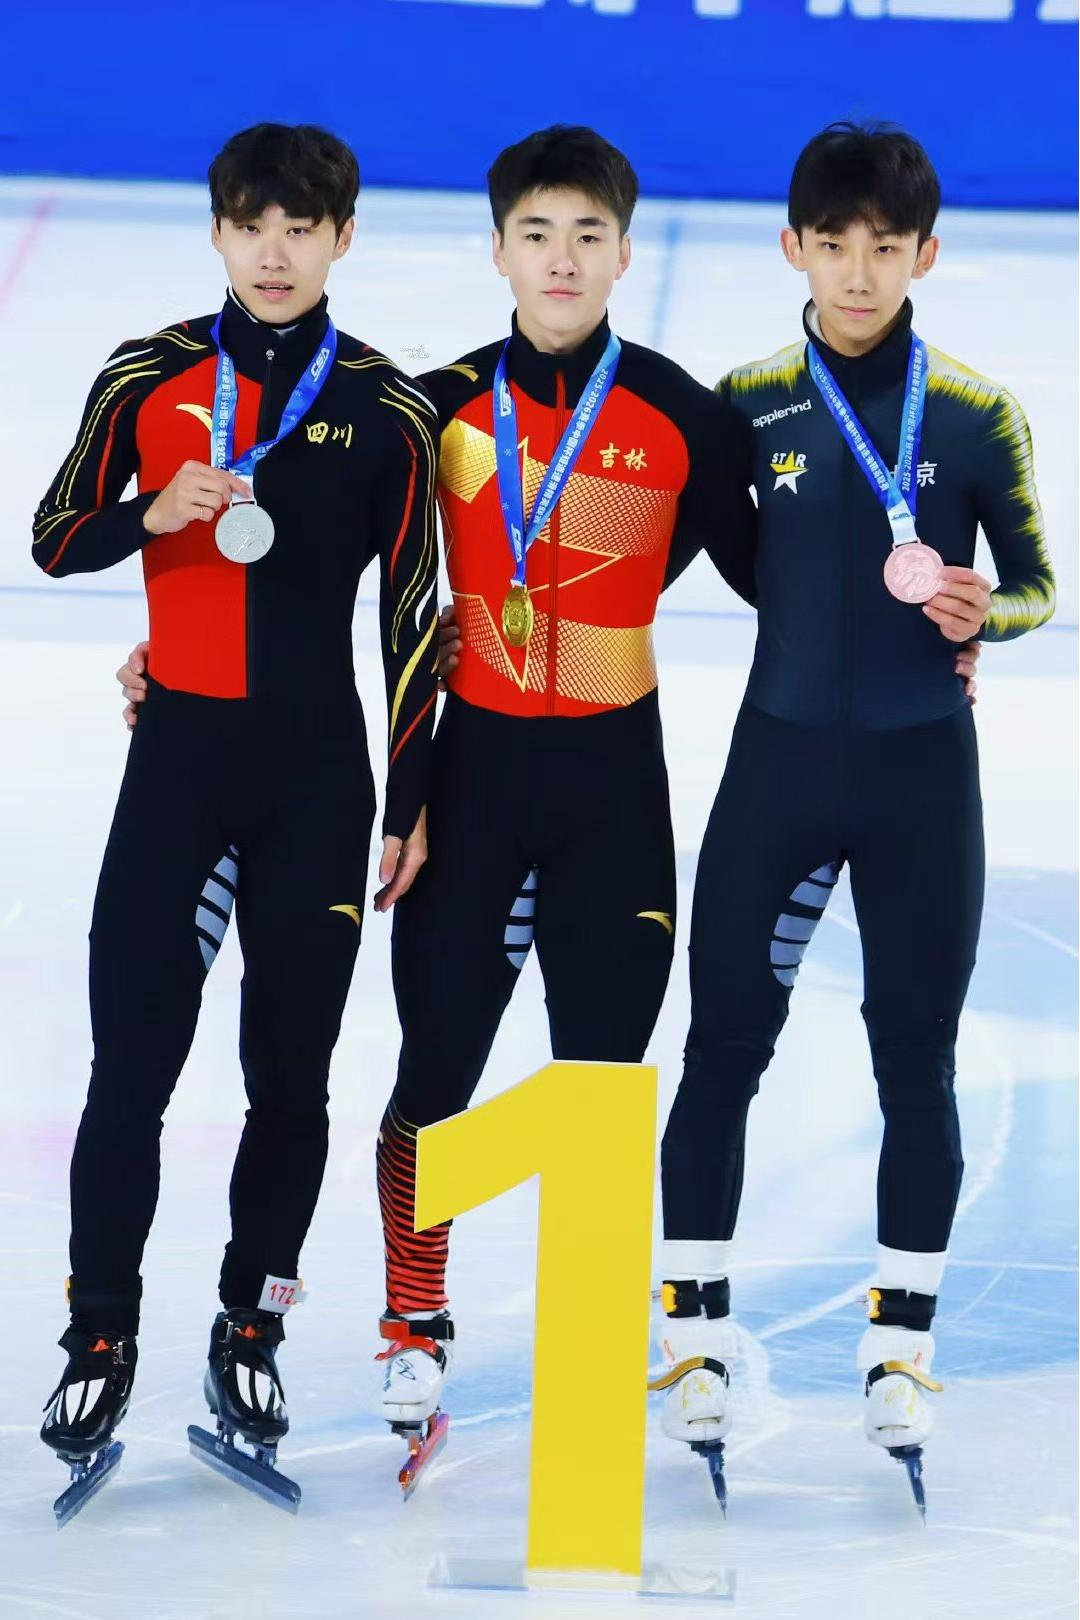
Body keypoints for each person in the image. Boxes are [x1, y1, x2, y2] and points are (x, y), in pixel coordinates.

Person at [33, 122, 438, 1519]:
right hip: (182, 772)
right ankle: (98, 1340)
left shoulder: (386, 408)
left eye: (301, 228)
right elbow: (53, 537)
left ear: (342, 239)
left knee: (291, 1078)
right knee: (130, 1070)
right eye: (251, 225)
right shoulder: (146, 376)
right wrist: (152, 513)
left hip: (320, 786)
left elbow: (413, 616)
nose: (275, 253)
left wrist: (412, 799)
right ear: (217, 232)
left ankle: (250, 1332)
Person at [650, 122, 1055, 1514]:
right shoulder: (745, 404)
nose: (861, 272)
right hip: (777, 767)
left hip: (920, 778)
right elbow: (715, 560)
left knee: (914, 1061)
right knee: (723, 1049)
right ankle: (694, 1336)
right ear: (794, 248)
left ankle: (901, 1350)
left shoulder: (979, 412)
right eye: (835, 245)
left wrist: (980, 612)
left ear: (926, 254)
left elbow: (1038, 583)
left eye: (887, 247)